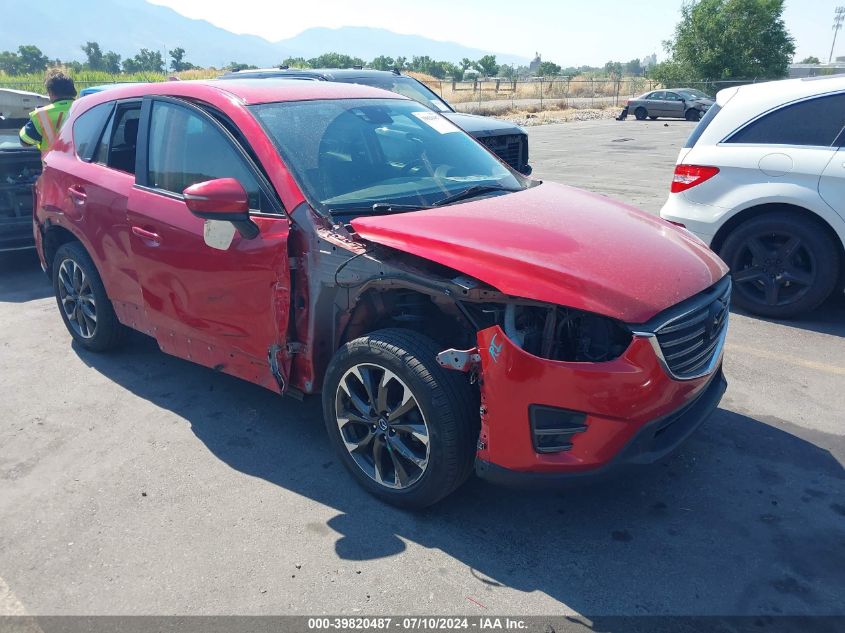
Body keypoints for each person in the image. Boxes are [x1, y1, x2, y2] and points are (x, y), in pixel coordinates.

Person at [20, 69, 77, 154]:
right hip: (82, 166)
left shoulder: (41, 115)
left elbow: (25, 142)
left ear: (50, 92)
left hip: (52, 166)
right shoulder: (87, 109)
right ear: (73, 90)